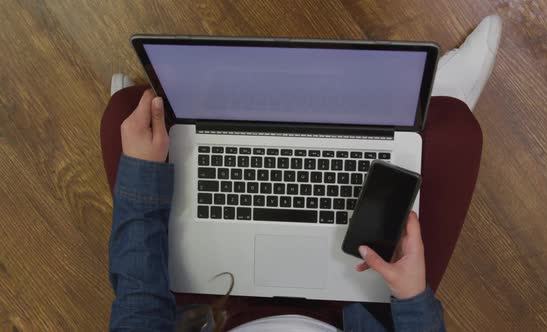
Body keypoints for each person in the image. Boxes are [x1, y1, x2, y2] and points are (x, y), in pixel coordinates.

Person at [104, 15, 501, 331]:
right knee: (456, 130)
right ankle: (425, 98)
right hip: (357, 310)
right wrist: (412, 297)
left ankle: (162, 105)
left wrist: (141, 173)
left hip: (218, 308)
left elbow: (139, 309)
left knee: (122, 114)